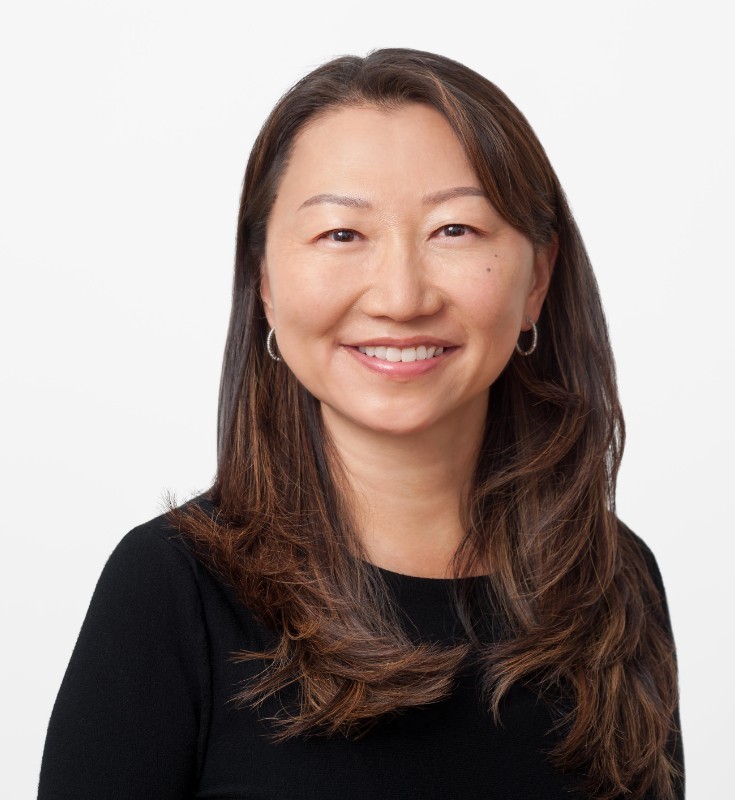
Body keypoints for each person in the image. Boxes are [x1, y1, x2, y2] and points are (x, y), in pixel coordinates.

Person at [38, 48, 683, 799]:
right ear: (265, 283)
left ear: (537, 277)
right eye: (342, 234)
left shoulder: (612, 580)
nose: (402, 298)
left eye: (455, 229)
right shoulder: (171, 592)